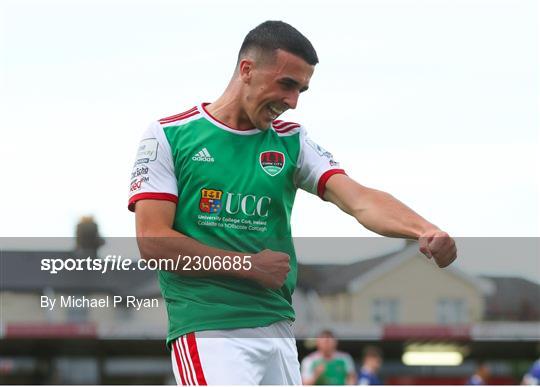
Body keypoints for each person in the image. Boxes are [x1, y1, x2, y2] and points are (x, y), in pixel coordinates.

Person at [128, 20, 457, 385]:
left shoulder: (293, 141)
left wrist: (424, 229)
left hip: (277, 329)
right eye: (286, 84)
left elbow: (359, 198)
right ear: (247, 70)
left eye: (301, 90)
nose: (292, 101)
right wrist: (249, 266)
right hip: (209, 329)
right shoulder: (169, 136)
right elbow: (153, 241)